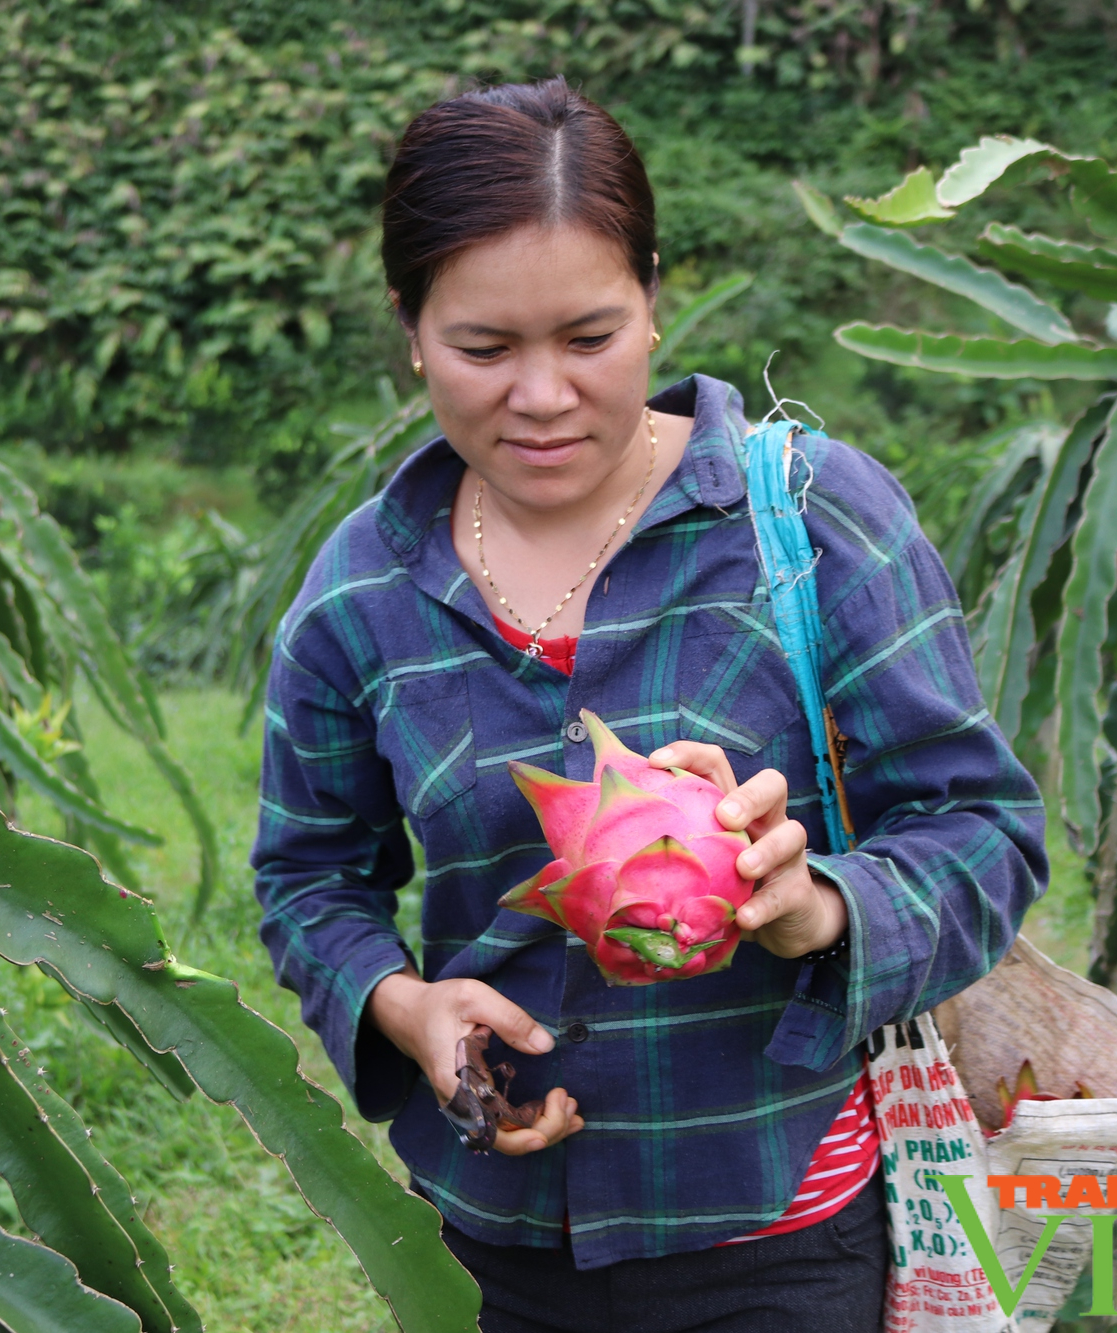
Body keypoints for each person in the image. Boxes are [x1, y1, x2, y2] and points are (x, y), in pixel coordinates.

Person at [251, 78, 1047, 1333]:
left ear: (653, 298)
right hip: (490, 1258)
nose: (542, 396)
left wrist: (813, 906)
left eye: (588, 336)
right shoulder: (359, 594)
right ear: (407, 325)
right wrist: (407, 1008)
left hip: (780, 1238)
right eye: (481, 348)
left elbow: (983, 831)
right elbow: (307, 878)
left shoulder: (812, 523)